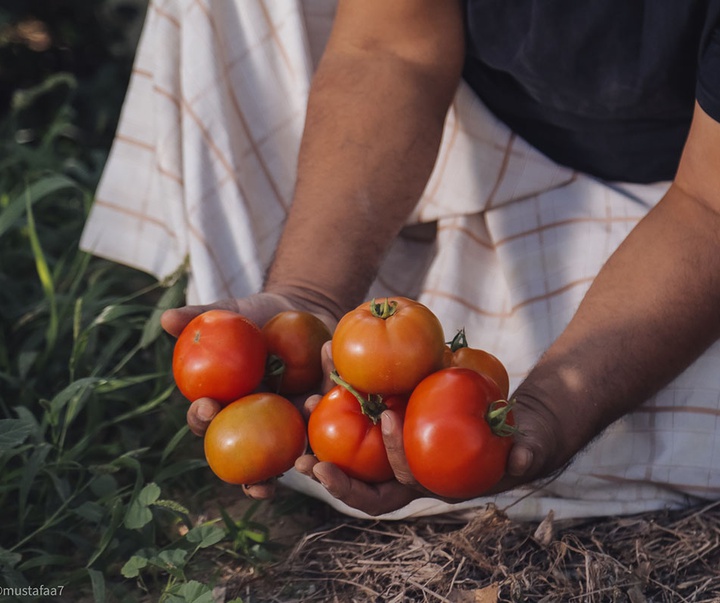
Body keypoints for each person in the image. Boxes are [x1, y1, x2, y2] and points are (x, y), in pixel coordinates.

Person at [82, 0, 720, 520]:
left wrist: (555, 408)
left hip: (680, 186)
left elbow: (707, 207)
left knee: (654, 420)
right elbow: (390, 48)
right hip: (469, 108)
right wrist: (308, 297)